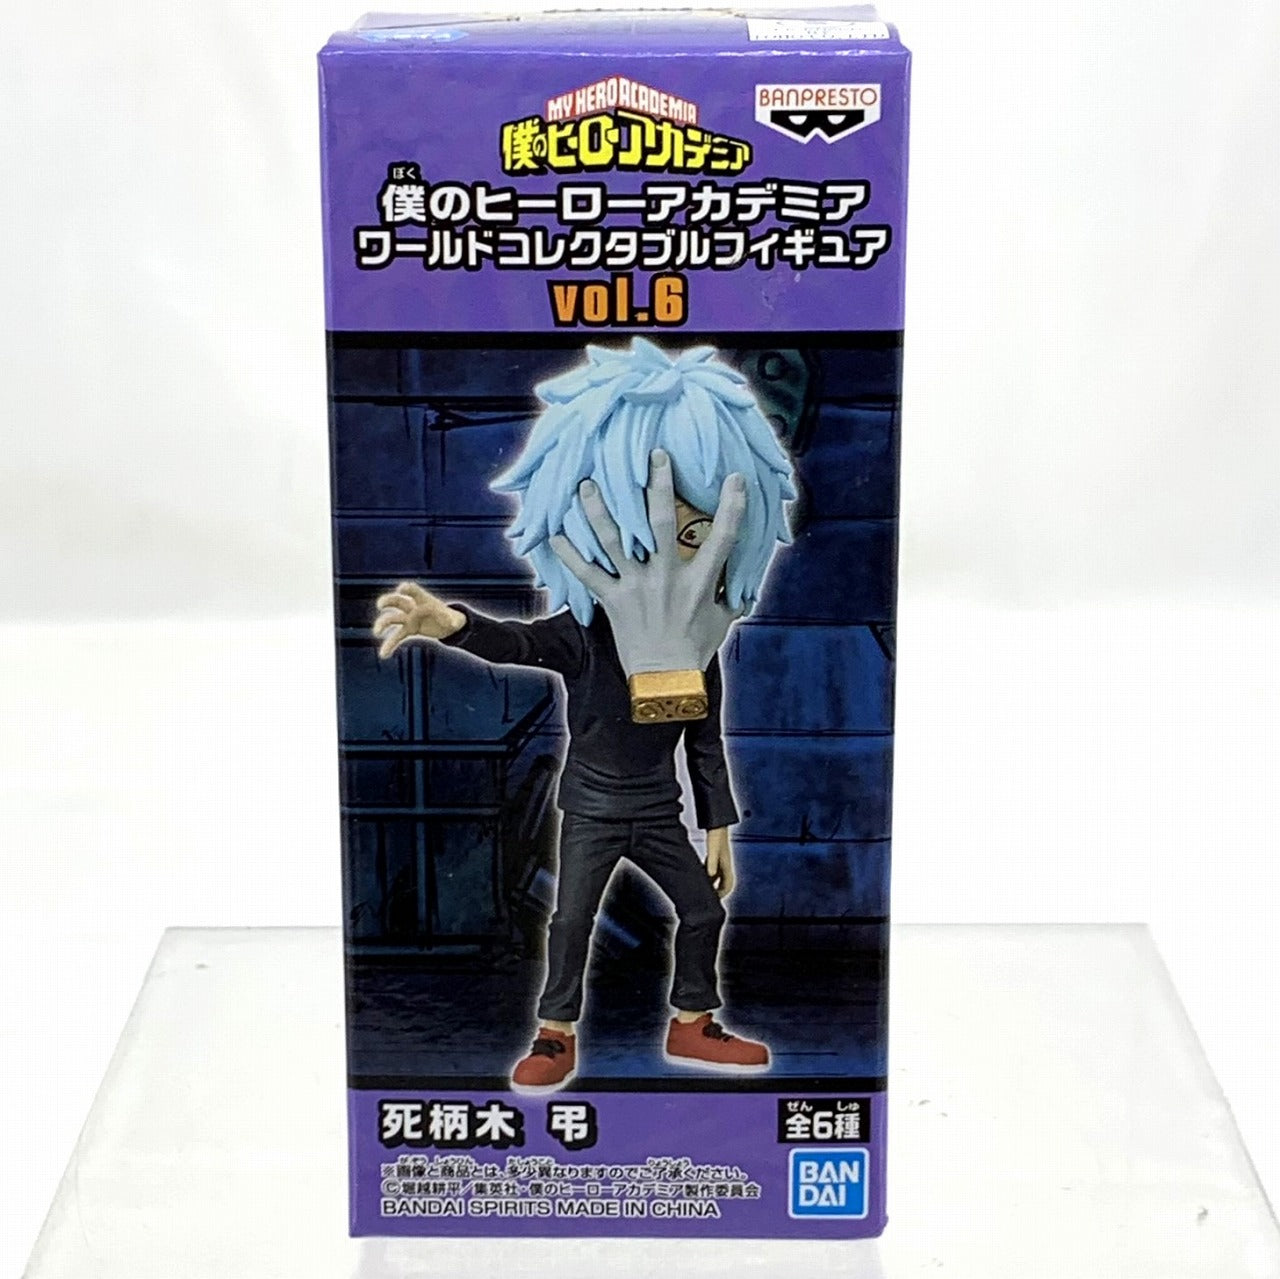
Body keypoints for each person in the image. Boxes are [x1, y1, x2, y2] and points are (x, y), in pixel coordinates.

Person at [373, 339, 794, 1093]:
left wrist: (719, 829)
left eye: (696, 535)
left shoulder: (700, 644)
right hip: (593, 811)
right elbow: (519, 642)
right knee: (570, 923)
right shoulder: (584, 633)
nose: (678, 557)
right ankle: (555, 1030)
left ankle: (692, 1019)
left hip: (659, 812)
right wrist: (454, 625)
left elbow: (704, 743)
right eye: (657, 528)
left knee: (703, 912)